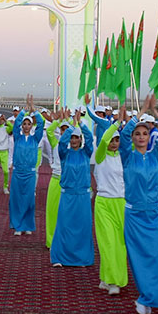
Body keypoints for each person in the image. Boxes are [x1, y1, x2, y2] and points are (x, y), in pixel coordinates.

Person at [117, 98, 158, 314]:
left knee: (156, 257)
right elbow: (121, 137)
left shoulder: (156, 155)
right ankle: (144, 296)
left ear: (150, 137)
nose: (141, 137)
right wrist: (140, 113)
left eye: (145, 134)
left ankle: (152, 297)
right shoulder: (127, 156)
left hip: (153, 215)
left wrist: (155, 112)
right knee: (138, 258)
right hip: (135, 214)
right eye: (137, 134)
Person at [50, 118, 95, 267]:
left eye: (76, 137)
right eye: (72, 138)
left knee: (83, 227)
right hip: (67, 195)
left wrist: (81, 124)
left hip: (82, 195)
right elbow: (62, 142)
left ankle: (81, 258)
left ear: (80, 139)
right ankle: (60, 257)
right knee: (64, 226)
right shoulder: (65, 153)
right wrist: (71, 127)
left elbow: (89, 138)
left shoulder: (86, 153)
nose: (74, 140)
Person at [92, 121, 127, 294]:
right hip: (104, 202)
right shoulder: (100, 155)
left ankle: (108, 278)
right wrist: (116, 124)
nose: (114, 143)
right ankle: (113, 282)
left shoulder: (123, 156)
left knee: (120, 244)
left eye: (117, 140)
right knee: (107, 242)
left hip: (120, 203)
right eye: (112, 140)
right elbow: (104, 140)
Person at [8, 97, 45, 236]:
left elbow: (41, 124)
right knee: (17, 199)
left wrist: (34, 110)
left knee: (29, 200)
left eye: (29, 124)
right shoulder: (17, 137)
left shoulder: (36, 138)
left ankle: (28, 225)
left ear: (31, 126)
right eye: (25, 124)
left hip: (30, 174)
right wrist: (24, 110)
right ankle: (18, 225)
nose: (26, 126)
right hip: (18, 173)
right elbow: (16, 122)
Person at [43, 114, 71, 248]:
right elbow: (49, 131)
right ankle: (51, 241)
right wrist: (59, 120)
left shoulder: (75, 145)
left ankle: (67, 242)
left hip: (70, 183)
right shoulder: (55, 143)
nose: (64, 131)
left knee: (69, 214)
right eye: (62, 129)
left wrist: (72, 122)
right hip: (55, 180)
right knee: (52, 212)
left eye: (67, 129)